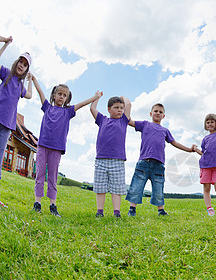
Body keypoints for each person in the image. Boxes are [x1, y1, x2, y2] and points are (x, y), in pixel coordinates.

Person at [31, 77, 102, 217]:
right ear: (54, 95)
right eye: (59, 94)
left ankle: (53, 205)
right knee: (39, 174)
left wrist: (95, 97)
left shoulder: (67, 112)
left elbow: (82, 104)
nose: (62, 97)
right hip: (43, 146)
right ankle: (37, 203)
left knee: (52, 177)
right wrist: (33, 79)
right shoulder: (47, 107)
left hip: (56, 149)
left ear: (67, 98)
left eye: (65, 95)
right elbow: (40, 92)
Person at [126, 103, 195, 216]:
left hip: (158, 164)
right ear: (151, 113)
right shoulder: (145, 124)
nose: (158, 113)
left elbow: (175, 143)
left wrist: (189, 149)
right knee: (137, 186)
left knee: (158, 188)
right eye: (156, 111)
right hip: (144, 162)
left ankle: (161, 210)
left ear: (163, 116)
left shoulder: (165, 131)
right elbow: (129, 121)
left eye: (160, 112)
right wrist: (128, 105)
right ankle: (132, 209)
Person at [0, 36, 33, 208]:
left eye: (25, 64)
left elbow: (30, 95)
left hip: (6, 127)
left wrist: (30, 81)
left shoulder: (20, 86)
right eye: (20, 62)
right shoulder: (6, 73)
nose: (21, 65)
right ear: (16, 63)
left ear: (26, 69)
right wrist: (5, 43)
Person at [90, 95, 131, 218]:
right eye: (116, 107)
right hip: (101, 160)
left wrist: (123, 97)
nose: (120, 110)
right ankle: (99, 212)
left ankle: (116, 212)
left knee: (117, 189)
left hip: (117, 161)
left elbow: (129, 105)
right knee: (100, 188)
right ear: (109, 109)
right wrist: (97, 97)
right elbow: (92, 108)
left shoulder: (123, 121)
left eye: (121, 108)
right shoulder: (103, 120)